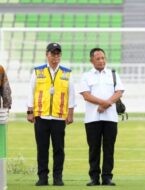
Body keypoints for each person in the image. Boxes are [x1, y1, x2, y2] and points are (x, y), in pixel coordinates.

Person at [27, 43, 75, 186]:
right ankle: (42, 177)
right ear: (47, 54)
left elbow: (71, 95)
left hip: (59, 117)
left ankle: (57, 177)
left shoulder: (67, 73)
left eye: (58, 54)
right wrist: (30, 112)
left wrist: (70, 113)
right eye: (53, 54)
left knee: (59, 149)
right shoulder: (37, 71)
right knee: (42, 148)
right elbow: (31, 91)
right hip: (41, 116)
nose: (55, 57)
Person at [79, 48, 124, 186]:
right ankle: (94, 178)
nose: (101, 61)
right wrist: (102, 103)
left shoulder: (113, 74)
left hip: (111, 118)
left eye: (103, 58)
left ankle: (107, 177)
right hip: (92, 118)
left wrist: (106, 104)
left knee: (109, 148)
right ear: (91, 60)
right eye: (98, 58)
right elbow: (86, 95)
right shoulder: (86, 76)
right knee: (94, 149)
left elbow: (119, 92)